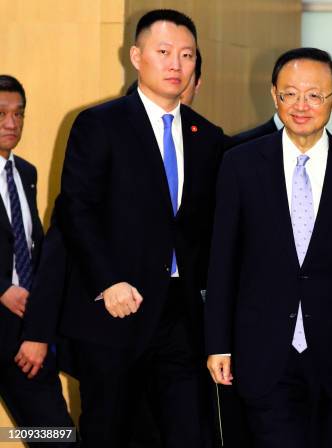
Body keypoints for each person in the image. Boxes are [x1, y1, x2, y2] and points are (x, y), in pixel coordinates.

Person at [205, 47, 332, 448]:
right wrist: (218, 344)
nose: (301, 105)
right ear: (274, 94)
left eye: (315, 94)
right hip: (261, 351)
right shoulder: (240, 164)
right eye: (290, 93)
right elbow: (223, 260)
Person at [56, 9, 225, 448]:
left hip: (182, 317)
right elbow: (77, 210)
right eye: (164, 52)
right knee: (110, 432)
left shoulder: (207, 137)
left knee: (189, 433)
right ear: (135, 56)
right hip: (115, 310)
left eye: (187, 55)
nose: (176, 64)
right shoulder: (100, 124)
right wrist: (107, 280)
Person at [0, 75, 74, 445]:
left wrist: (40, 323)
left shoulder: (25, 173)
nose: (11, 124)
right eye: (1, 114)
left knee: (54, 435)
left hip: (24, 334)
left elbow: (33, 245)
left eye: (19, 114)